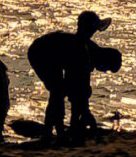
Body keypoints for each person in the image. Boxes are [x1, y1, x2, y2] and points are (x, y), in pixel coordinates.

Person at [27, 11, 115, 145]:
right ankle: (53, 132)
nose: (93, 33)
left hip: (53, 56)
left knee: (60, 92)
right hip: (40, 53)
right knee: (58, 92)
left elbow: (80, 86)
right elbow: (74, 85)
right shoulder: (79, 49)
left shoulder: (87, 47)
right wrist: (83, 112)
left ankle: (53, 132)